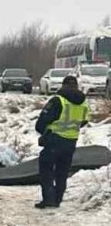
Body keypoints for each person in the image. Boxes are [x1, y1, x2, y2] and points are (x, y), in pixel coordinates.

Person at [34, 75, 89, 209]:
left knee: (46, 167)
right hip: (71, 141)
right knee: (62, 171)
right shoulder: (83, 102)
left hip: (55, 139)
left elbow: (42, 121)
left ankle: (49, 198)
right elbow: (84, 121)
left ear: (63, 85)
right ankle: (58, 198)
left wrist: (44, 133)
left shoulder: (58, 100)